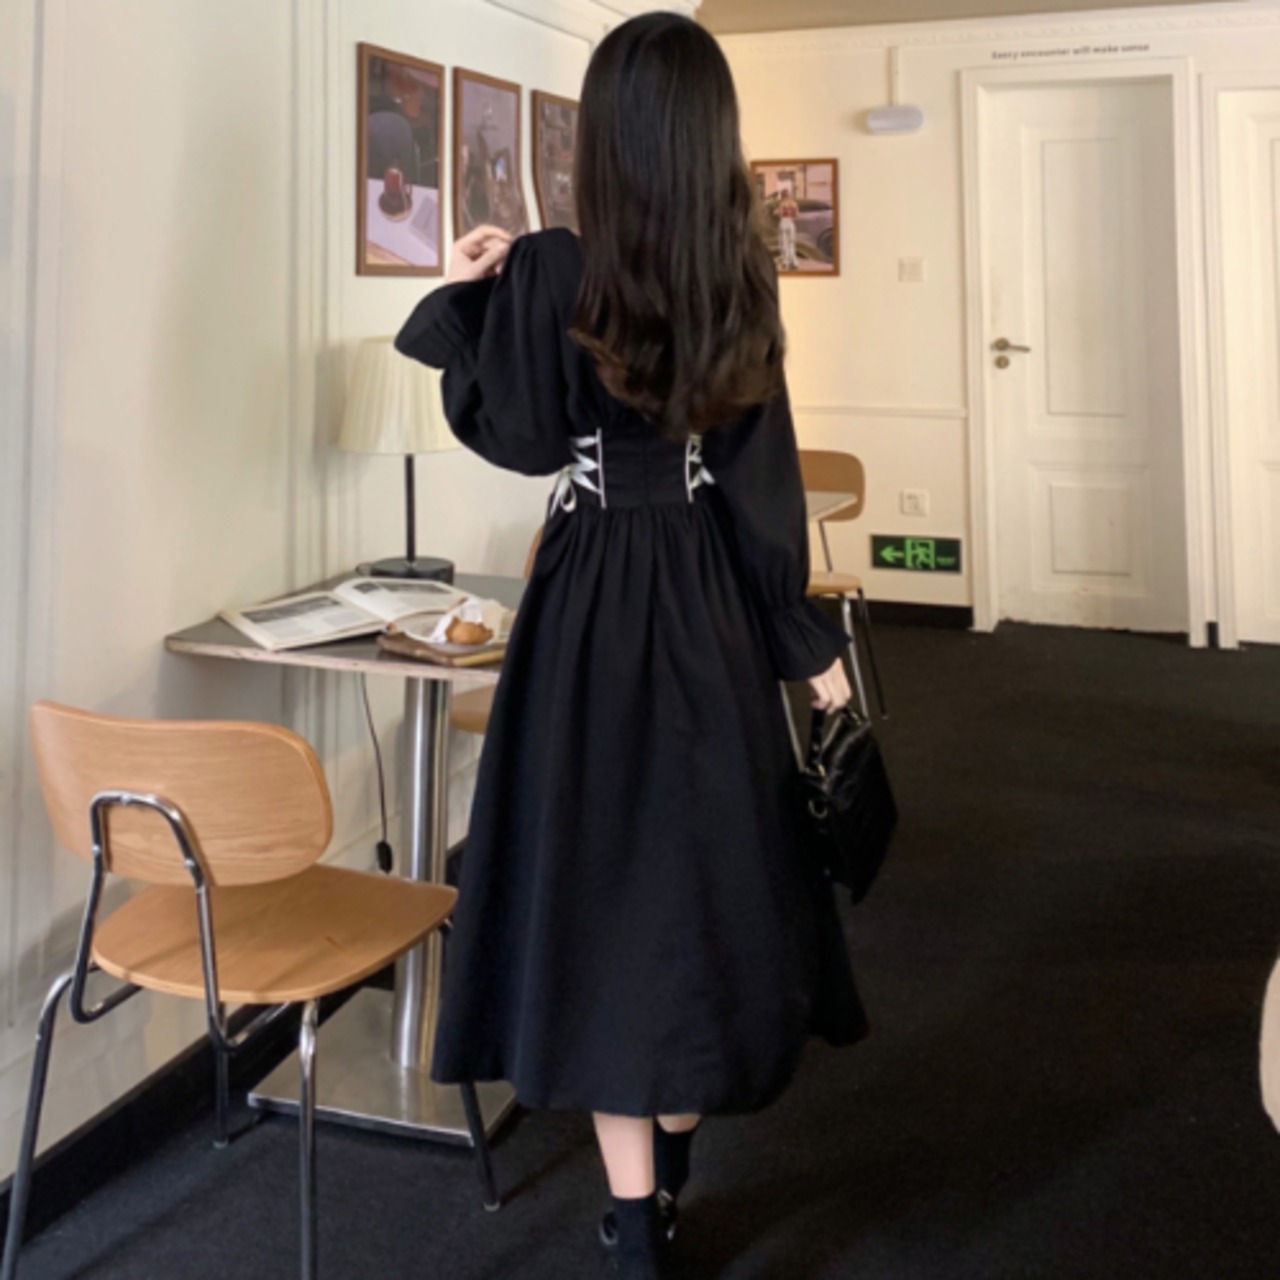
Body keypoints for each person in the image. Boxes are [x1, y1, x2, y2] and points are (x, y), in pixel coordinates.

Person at [395, 13, 866, 1278]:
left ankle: (634, 1222)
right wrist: (807, 649)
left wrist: (479, 291)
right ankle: (676, 1135)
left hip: (587, 602)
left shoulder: (557, 267)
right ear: (710, 133)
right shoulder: (738, 276)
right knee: (706, 877)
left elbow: (518, 438)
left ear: (600, 136)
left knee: (595, 886)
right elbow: (759, 487)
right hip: (704, 599)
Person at [776, 188, 800, 271]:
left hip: (783, 222)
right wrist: (791, 215)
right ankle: (794, 262)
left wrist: (778, 212)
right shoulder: (794, 203)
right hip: (791, 222)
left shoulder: (782, 203)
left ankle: (786, 262)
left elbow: (780, 214)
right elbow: (797, 215)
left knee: (784, 243)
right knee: (791, 243)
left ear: (782, 195)